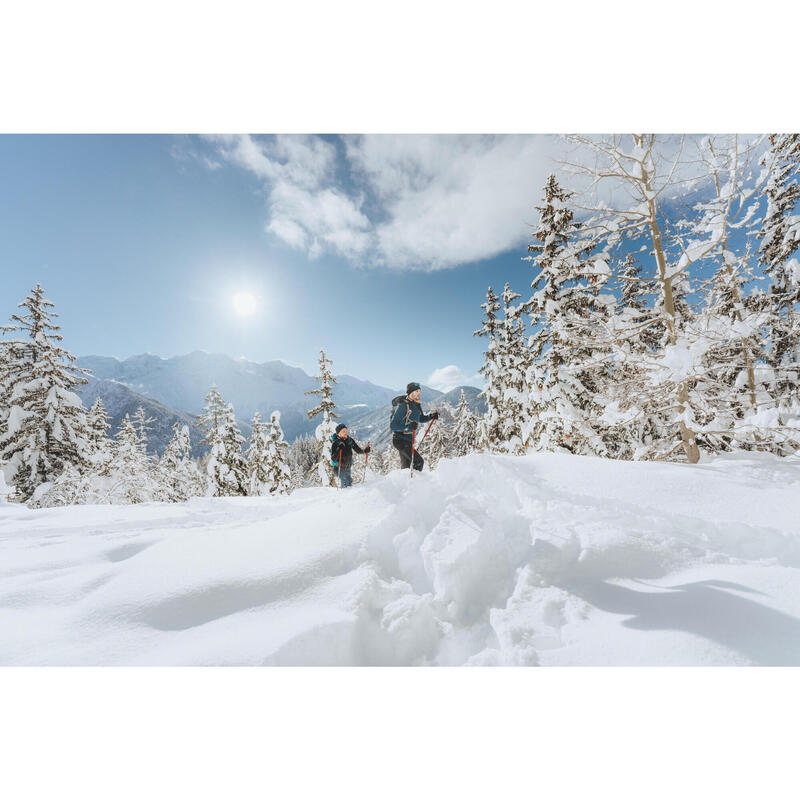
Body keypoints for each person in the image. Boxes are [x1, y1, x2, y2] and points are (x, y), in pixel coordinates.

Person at [389, 382, 440, 472]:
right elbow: (393, 425)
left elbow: (420, 418)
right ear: (410, 393)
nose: (419, 393)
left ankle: (406, 483)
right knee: (418, 461)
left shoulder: (416, 405)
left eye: (419, 391)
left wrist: (431, 416)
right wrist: (408, 427)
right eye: (416, 391)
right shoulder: (403, 406)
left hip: (408, 440)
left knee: (406, 468)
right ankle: (415, 483)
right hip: (399, 440)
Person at [330, 423, 370, 488]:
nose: (346, 433)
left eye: (346, 431)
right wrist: (339, 448)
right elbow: (333, 458)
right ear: (338, 433)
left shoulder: (350, 440)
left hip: (347, 466)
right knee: (344, 483)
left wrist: (365, 451)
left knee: (349, 482)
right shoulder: (336, 443)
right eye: (343, 431)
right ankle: (343, 496)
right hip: (339, 467)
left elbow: (358, 450)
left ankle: (349, 497)